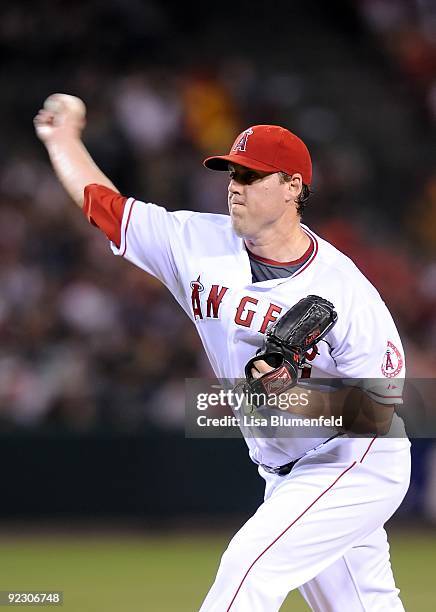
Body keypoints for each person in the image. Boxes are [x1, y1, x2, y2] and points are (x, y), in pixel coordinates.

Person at [34, 95, 411, 611]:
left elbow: (381, 409)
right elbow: (107, 207)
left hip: (356, 461)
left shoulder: (346, 290)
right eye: (232, 172)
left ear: (292, 188)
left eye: (252, 176)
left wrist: (294, 396)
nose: (235, 185)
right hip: (284, 471)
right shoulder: (196, 243)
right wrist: (62, 141)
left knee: (247, 570)